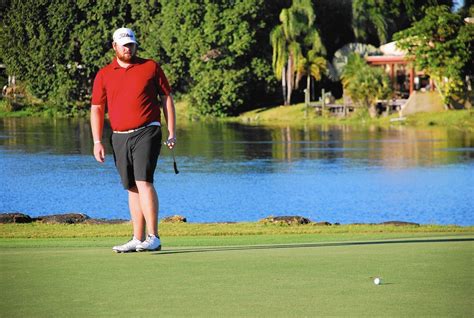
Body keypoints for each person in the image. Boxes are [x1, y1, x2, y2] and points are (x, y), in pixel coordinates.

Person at [90, 27, 176, 253]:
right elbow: (97, 108)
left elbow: (166, 98)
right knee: (130, 186)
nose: (129, 48)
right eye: (124, 45)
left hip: (147, 130)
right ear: (114, 47)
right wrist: (97, 141)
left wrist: (171, 131)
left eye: (132, 44)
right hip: (118, 136)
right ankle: (138, 238)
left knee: (143, 181)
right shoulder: (104, 74)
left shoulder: (150, 67)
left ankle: (153, 236)